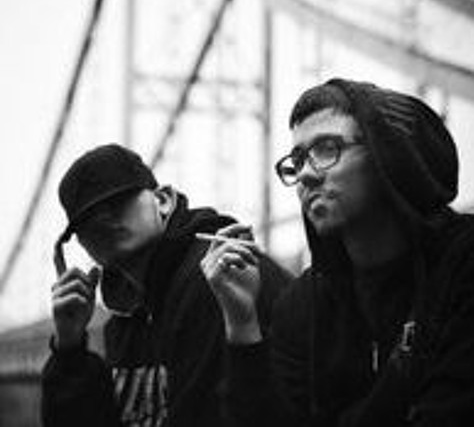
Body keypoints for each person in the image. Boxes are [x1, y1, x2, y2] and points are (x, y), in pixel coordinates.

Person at [201, 78, 474, 426]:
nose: (306, 175)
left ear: (387, 154)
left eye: (327, 148)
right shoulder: (303, 303)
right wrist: (242, 323)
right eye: (297, 160)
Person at [41, 143, 291, 427]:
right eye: (87, 221)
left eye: (117, 203)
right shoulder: (124, 313)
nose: (103, 221)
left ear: (163, 200)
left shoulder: (219, 278)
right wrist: (69, 350)